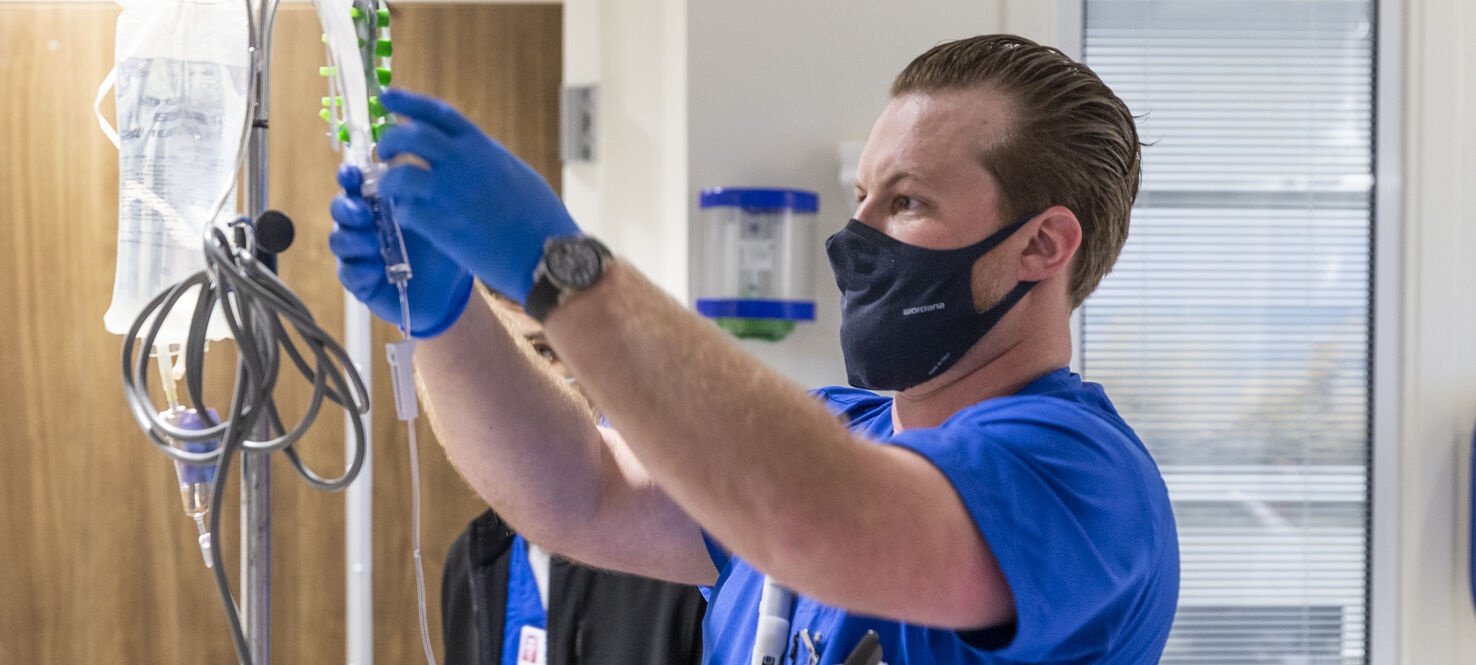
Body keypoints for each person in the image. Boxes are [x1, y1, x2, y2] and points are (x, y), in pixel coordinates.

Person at [330, 34, 1179, 664]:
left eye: (908, 200)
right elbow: (579, 490)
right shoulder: (840, 429)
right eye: (862, 195)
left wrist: (561, 267)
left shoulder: (1085, 481)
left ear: (1043, 246)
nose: (857, 234)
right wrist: (443, 315)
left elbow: (820, 517)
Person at [440, 290, 707, 665]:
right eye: (503, 357)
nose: (514, 379)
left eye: (542, 352)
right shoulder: (475, 555)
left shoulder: (675, 552)